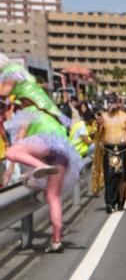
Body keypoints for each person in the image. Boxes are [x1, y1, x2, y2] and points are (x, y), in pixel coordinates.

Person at [1, 71, 81, 253]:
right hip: (63, 153)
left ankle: (42, 167)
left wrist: (10, 170)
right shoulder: (51, 114)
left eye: (20, 103)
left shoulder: (29, 113)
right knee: (54, 197)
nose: (18, 106)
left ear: (27, 101)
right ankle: (56, 240)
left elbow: (19, 142)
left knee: (11, 151)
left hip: (45, 147)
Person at [94, 97, 126, 213]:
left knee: (121, 177)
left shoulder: (125, 117)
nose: (112, 105)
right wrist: (98, 126)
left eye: (114, 102)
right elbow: (97, 134)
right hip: (109, 150)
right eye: (110, 102)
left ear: (118, 103)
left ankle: (121, 200)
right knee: (110, 177)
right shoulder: (103, 117)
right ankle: (109, 202)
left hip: (123, 150)